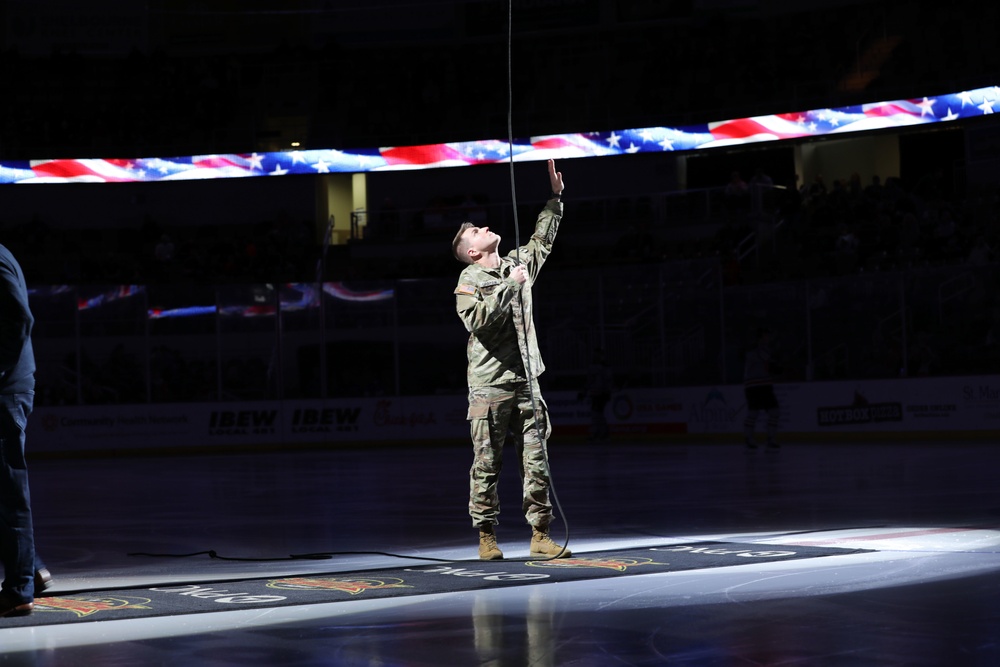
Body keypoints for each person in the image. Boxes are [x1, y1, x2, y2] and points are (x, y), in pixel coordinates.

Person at [451, 158, 570, 561]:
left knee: (537, 460)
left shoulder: (517, 265)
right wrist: (509, 287)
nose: (484, 228)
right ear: (471, 251)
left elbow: (543, 239)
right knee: (487, 464)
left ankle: (540, 534)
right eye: (476, 231)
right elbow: (479, 321)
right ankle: (486, 536)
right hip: (490, 386)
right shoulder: (468, 283)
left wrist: (555, 197)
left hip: (527, 381)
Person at [0, 243, 51, 617]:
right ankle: (31, 569)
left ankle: (19, 589)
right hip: (7, 385)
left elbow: (20, 318)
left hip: (4, 389)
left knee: (8, 489)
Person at [743, 327, 781, 450]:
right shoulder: (755, 349)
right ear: (761, 336)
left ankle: (769, 438)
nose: (768, 338)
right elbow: (768, 361)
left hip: (762, 384)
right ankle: (749, 438)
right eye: (766, 335)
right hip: (754, 385)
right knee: (754, 413)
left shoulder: (763, 349)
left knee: (773, 412)